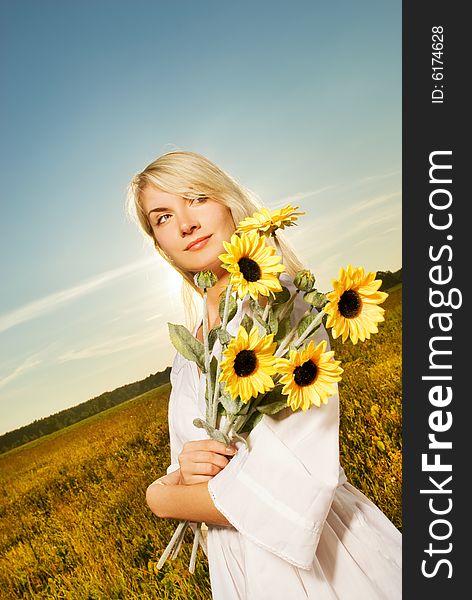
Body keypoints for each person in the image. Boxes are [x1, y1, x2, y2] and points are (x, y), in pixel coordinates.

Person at [127, 150, 402, 599]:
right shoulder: (189, 349)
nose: (185, 223)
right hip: (240, 569)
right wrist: (182, 470)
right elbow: (200, 466)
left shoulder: (284, 309)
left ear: (229, 202)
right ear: (160, 245)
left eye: (197, 197)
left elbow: (295, 486)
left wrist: (160, 496)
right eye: (162, 217)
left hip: (326, 571)